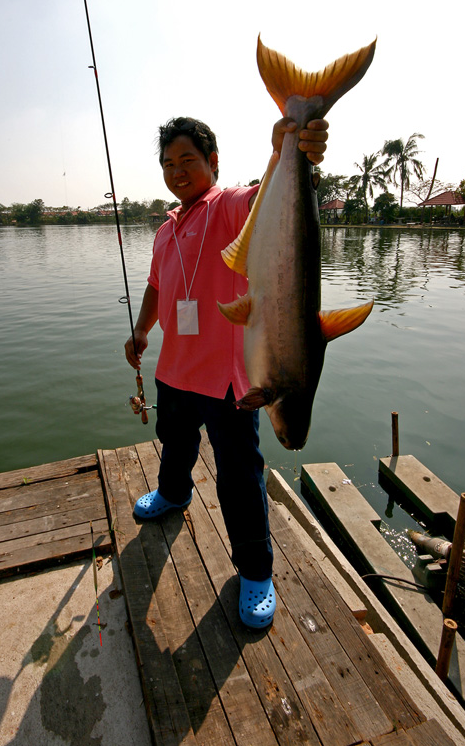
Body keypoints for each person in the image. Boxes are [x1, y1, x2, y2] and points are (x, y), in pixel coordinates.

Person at [124, 115, 328, 629]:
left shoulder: (230, 206)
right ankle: (173, 493)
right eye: (169, 163)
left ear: (213, 162)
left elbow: (269, 201)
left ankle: (256, 571)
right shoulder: (165, 228)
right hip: (173, 370)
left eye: (188, 160)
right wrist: (143, 331)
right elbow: (155, 287)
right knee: (174, 441)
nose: (177, 171)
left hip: (229, 381)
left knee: (240, 478)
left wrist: (287, 151)